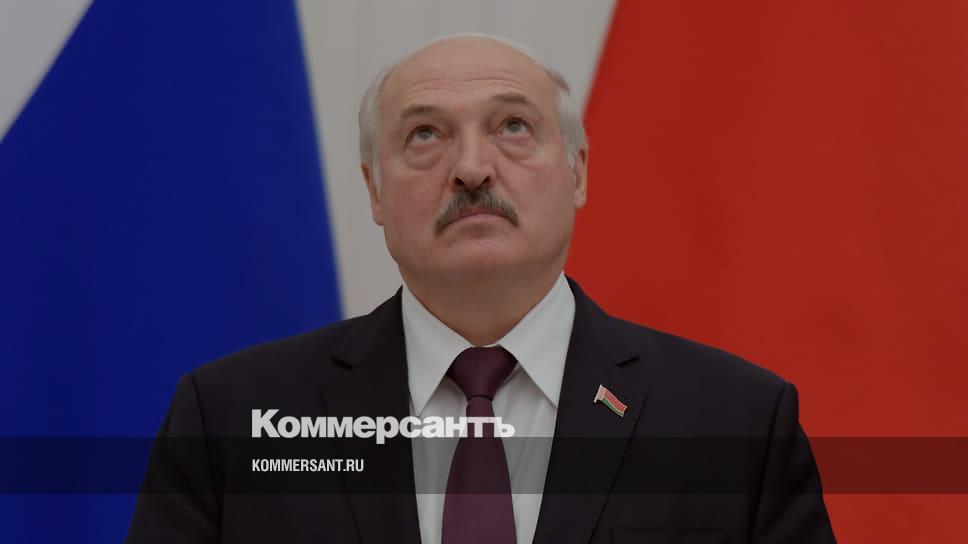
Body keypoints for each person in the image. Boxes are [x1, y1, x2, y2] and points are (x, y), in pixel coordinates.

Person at [127, 34, 836, 543]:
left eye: (513, 126)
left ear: (578, 172)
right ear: (375, 191)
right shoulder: (231, 418)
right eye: (425, 135)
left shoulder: (738, 422)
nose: (471, 168)